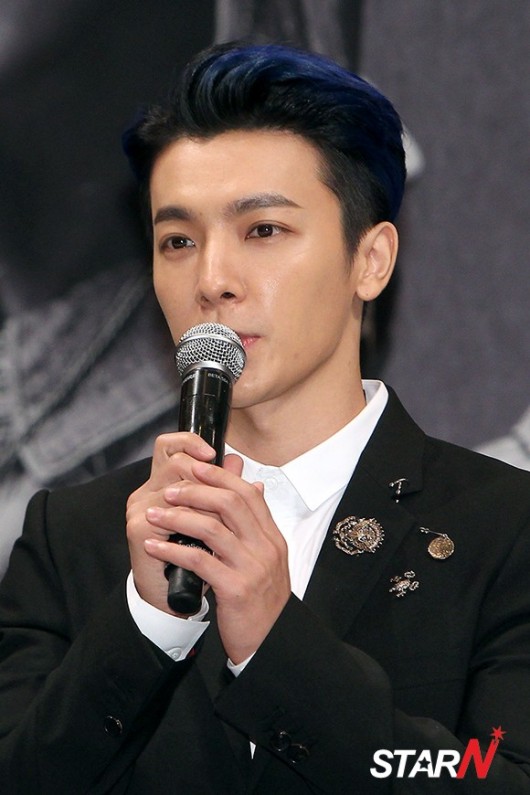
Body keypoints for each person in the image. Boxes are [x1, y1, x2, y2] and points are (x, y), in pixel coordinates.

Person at [1, 42, 529, 794]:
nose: (212, 279)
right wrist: (147, 623)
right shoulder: (72, 533)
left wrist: (276, 647)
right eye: (178, 241)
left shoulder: (504, 527)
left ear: (370, 260)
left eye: (263, 231)